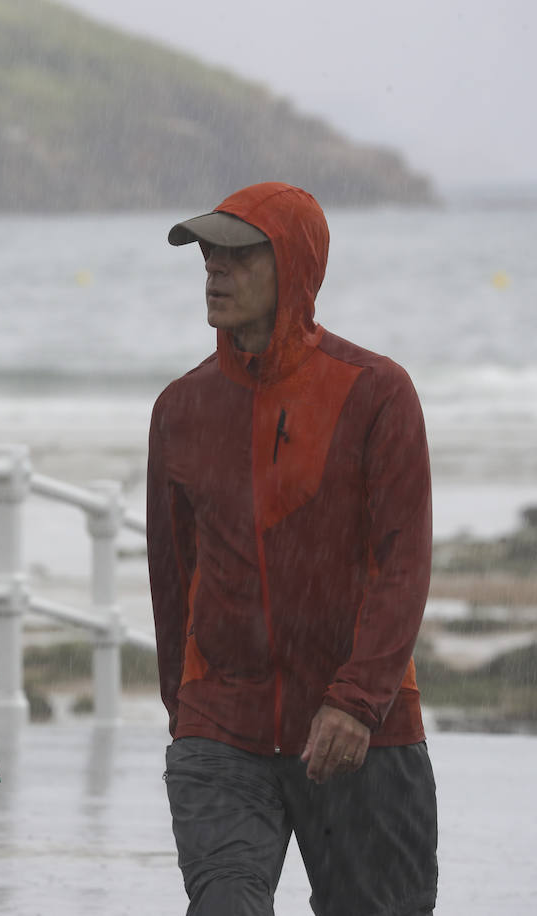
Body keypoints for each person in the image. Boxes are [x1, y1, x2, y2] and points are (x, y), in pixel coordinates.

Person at [146, 183, 438, 915]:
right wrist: (186, 712)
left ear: (295, 266)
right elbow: (170, 572)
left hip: (361, 728)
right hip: (223, 727)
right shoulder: (182, 408)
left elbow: (403, 563)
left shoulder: (376, 392)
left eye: (239, 255)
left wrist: (357, 700)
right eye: (208, 253)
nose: (215, 269)